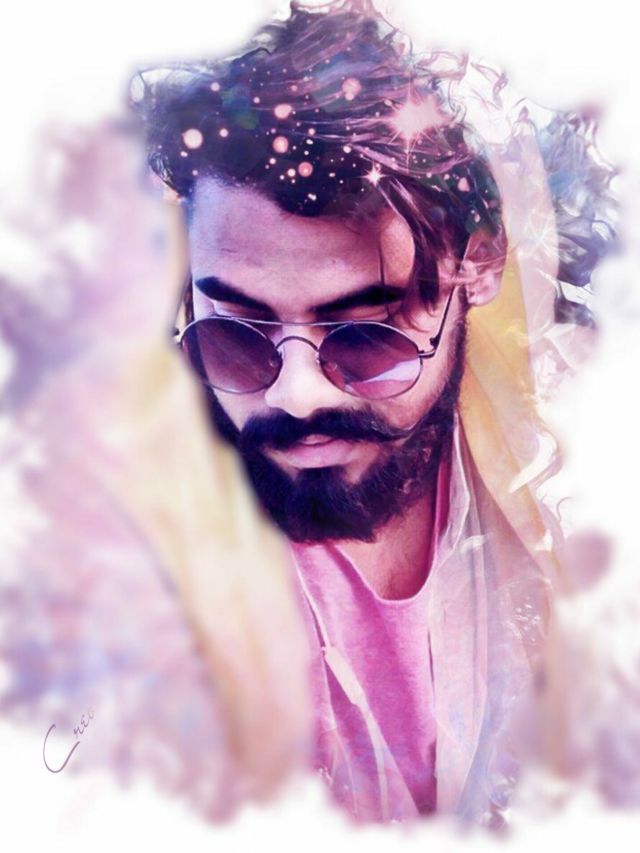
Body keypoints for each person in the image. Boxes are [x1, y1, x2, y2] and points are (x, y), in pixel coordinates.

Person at [128, 0, 617, 826]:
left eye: (366, 336)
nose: (295, 395)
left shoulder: (587, 483)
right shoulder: (116, 553)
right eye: (235, 335)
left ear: (479, 265)